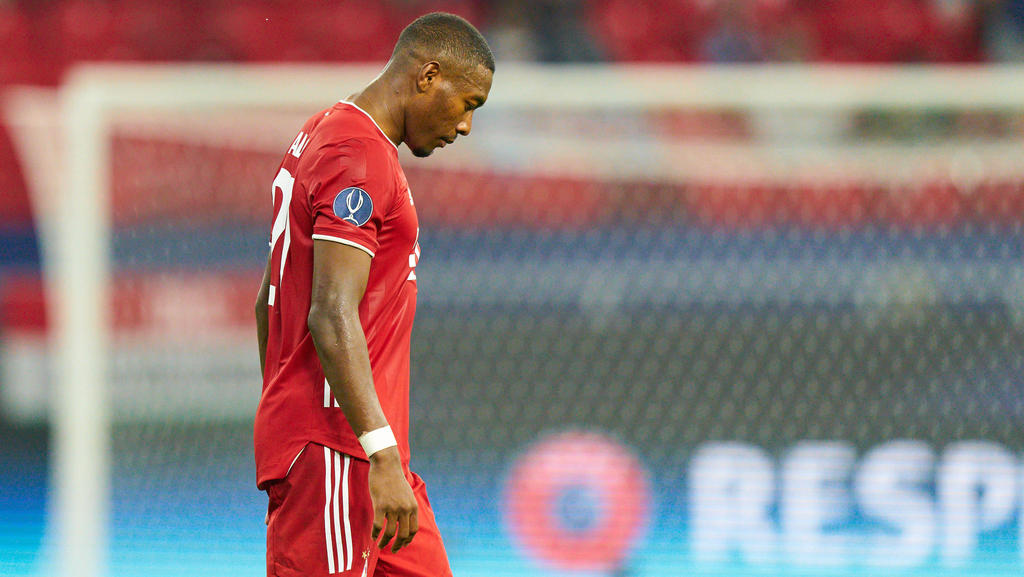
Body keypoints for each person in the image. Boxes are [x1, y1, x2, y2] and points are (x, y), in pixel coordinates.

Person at [253, 12, 494, 577]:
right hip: (342, 450)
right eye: (468, 104)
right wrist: (365, 446)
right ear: (428, 76)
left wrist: (287, 406)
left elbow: (267, 298)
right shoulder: (356, 156)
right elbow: (330, 312)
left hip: (364, 448)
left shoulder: (327, 130)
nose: (466, 126)